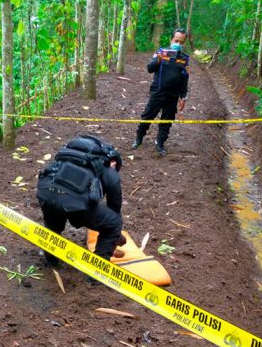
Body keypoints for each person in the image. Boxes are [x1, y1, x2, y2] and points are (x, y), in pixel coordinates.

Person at [36, 135, 124, 267]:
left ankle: (51, 261)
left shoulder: (69, 156)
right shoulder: (109, 172)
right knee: (114, 223)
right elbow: (114, 208)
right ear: (113, 161)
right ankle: (97, 271)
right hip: (75, 204)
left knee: (52, 223)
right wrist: (115, 235)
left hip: (46, 194)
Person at [132, 28, 190, 156]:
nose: (178, 44)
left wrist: (183, 97)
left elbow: (185, 78)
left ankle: (160, 144)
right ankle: (138, 139)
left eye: (181, 42)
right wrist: (158, 60)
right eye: (176, 41)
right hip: (157, 92)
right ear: (171, 40)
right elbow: (149, 69)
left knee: (167, 121)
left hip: (173, 95)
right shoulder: (161, 53)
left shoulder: (184, 59)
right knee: (147, 116)